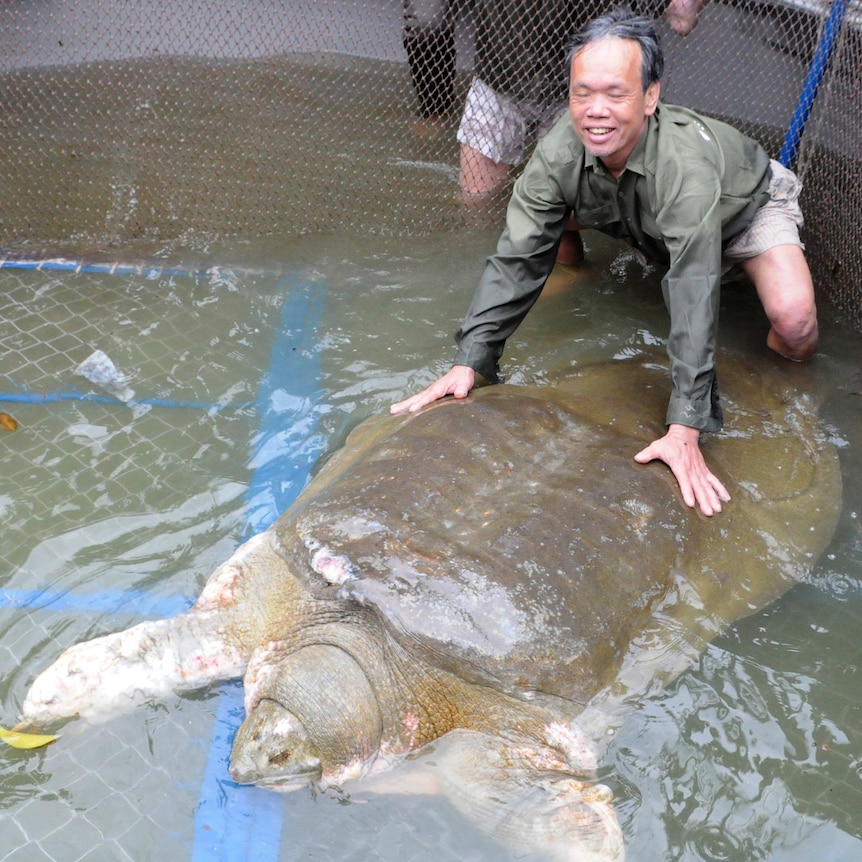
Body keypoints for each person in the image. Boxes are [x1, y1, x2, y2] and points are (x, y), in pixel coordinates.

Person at [391, 7, 819, 518]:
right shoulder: (560, 152)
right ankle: (579, 272)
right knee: (551, 211)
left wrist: (684, 428)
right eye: (582, 93)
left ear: (651, 95)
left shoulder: (684, 168)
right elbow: (516, 256)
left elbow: (694, 286)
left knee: (795, 321)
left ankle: (778, 386)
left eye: (616, 94)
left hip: (741, 210)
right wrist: (471, 360)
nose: (596, 110)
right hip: (634, 211)